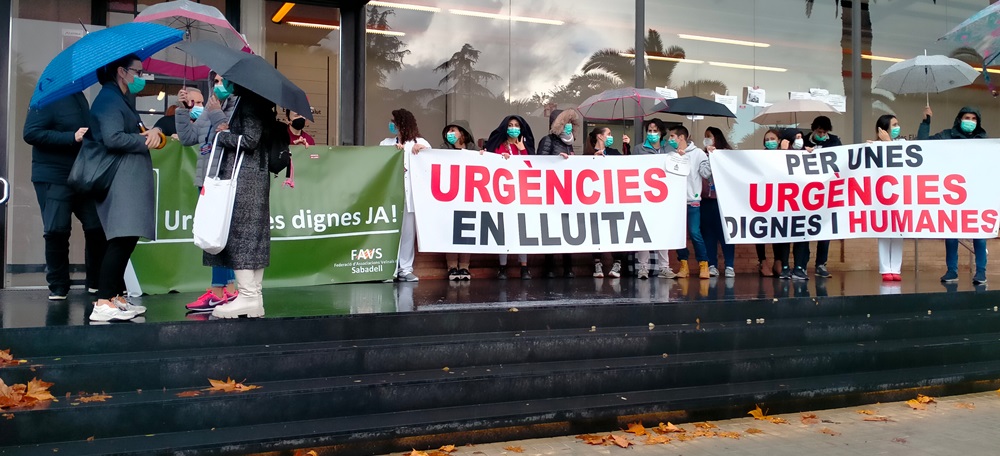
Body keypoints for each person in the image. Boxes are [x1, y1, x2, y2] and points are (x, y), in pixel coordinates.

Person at [87, 54, 165, 321]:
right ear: (121, 71)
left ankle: (114, 297)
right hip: (119, 179)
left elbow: (130, 132)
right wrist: (144, 139)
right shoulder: (108, 100)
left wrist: (149, 133)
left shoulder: (121, 98)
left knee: (127, 237)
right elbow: (112, 137)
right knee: (121, 238)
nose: (140, 78)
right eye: (137, 72)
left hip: (126, 177)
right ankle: (103, 302)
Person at [204, 85, 287, 318]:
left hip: (245, 178)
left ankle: (248, 296)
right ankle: (253, 297)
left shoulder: (249, 103)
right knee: (254, 237)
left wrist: (222, 133)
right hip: (255, 176)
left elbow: (250, 140)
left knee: (241, 236)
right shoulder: (259, 101)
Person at [23, 91, 107, 301]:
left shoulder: (79, 97)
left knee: (96, 226)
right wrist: (72, 136)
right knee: (57, 230)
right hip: (53, 175)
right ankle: (58, 286)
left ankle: (95, 283)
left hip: (81, 175)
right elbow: (31, 133)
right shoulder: (44, 98)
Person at [174, 82, 241, 312]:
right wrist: (182, 110)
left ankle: (220, 291)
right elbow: (187, 137)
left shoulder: (236, 107)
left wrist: (216, 114)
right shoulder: (209, 107)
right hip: (206, 179)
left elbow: (233, 139)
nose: (218, 85)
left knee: (219, 238)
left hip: (224, 180)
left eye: (224, 81)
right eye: (217, 81)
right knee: (214, 237)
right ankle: (227, 289)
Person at [918, 105, 989, 284]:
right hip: (953, 192)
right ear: (959, 119)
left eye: (974, 119)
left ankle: (981, 272)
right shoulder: (946, 136)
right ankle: (952, 270)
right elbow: (922, 144)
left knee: (979, 233)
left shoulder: (984, 140)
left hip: (977, 191)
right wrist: (926, 122)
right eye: (967, 118)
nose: (970, 122)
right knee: (951, 232)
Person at [380, 109, 431, 282]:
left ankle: (405, 269)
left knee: (408, 233)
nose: (391, 125)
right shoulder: (386, 143)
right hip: (391, 195)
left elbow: (430, 163)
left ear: (402, 123)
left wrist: (423, 150)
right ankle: (389, 269)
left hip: (411, 196)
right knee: (390, 232)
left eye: (394, 121)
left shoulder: (420, 142)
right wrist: (392, 154)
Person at [483, 115, 535, 279]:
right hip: (502, 195)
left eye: (516, 125)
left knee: (522, 229)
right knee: (502, 230)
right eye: (510, 125)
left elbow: (532, 165)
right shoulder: (498, 145)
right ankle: (503, 267)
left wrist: (521, 149)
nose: (513, 128)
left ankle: (524, 267)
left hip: (522, 194)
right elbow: (490, 163)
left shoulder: (525, 145)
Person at [667, 125, 713, 280]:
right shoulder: (670, 154)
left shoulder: (698, 153)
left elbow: (706, 173)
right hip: (675, 202)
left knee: (694, 232)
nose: (670, 139)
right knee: (679, 235)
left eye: (672, 136)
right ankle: (684, 265)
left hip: (693, 200)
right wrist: (677, 158)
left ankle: (704, 264)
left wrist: (711, 157)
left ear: (681, 137)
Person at [537, 109, 577, 278]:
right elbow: (540, 162)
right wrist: (556, 161)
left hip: (566, 193)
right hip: (551, 192)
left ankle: (568, 267)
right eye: (565, 122)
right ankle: (550, 267)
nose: (568, 126)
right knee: (552, 230)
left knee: (567, 229)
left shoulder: (569, 143)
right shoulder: (548, 141)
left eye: (570, 122)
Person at [632, 119, 674, 280]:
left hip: (664, 198)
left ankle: (664, 267)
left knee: (663, 231)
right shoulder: (639, 149)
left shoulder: (669, 149)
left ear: (661, 132)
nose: (651, 134)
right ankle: (643, 267)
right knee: (643, 232)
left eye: (655, 131)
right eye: (649, 131)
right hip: (644, 197)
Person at [802, 116, 840, 279]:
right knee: (804, 230)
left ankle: (821, 264)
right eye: (819, 132)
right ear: (813, 129)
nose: (822, 134)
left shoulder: (834, 141)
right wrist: (802, 150)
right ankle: (802, 264)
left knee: (825, 230)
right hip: (805, 191)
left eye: (825, 132)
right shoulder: (803, 141)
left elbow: (841, 159)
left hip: (826, 191)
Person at [589, 126, 630, 278]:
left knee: (616, 229)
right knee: (596, 230)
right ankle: (597, 263)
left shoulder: (613, 152)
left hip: (613, 198)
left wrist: (627, 146)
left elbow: (628, 164)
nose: (611, 137)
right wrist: (594, 158)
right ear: (600, 136)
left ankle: (617, 263)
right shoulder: (588, 153)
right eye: (609, 134)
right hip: (595, 199)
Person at [440, 120, 476, 280]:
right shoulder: (441, 150)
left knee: (467, 231)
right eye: (448, 130)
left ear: (463, 133)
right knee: (450, 231)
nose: (450, 133)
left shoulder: (475, 151)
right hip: (450, 197)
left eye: (453, 130)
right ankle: (452, 267)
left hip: (469, 196)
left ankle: (464, 267)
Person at [873, 114, 905, 282]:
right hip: (882, 196)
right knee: (884, 232)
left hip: (900, 195)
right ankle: (886, 269)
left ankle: (896, 268)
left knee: (899, 232)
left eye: (897, 123)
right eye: (894, 124)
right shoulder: (873, 146)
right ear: (882, 129)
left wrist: (889, 144)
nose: (897, 127)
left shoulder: (903, 144)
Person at [701, 127, 735, 278]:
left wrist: (717, 156)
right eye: (705, 137)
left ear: (717, 138)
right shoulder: (703, 155)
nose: (707, 139)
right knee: (708, 234)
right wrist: (709, 156)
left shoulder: (727, 154)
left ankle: (729, 265)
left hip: (724, 202)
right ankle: (712, 265)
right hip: (706, 200)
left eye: (709, 136)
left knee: (726, 234)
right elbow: (703, 173)